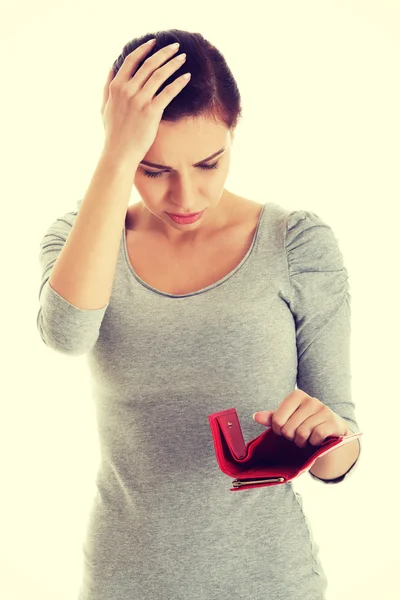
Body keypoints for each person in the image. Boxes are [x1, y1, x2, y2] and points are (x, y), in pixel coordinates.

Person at [36, 28, 361, 600]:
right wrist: (116, 154)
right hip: (125, 578)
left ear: (235, 128)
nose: (185, 198)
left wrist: (327, 437)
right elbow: (65, 334)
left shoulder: (296, 244)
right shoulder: (80, 239)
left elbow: (339, 454)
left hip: (271, 581)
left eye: (208, 164)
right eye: (153, 169)